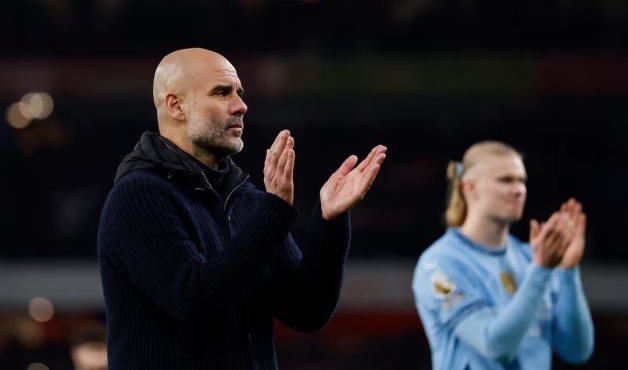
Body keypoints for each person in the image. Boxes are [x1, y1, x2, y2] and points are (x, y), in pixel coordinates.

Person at [96, 48, 386, 369]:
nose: (241, 105)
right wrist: (274, 210)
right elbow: (196, 301)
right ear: (176, 106)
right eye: (222, 93)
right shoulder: (139, 195)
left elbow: (308, 310)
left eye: (240, 93)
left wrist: (330, 221)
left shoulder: (246, 198)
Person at [412, 141, 594, 370]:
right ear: (469, 187)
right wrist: (541, 271)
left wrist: (567, 270)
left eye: (522, 180)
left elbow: (577, 351)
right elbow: (494, 346)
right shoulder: (440, 264)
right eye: (506, 180)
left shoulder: (531, 257)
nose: (519, 190)